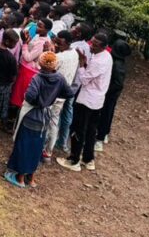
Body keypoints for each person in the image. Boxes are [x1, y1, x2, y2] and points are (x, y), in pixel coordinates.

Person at [6, 51, 76, 188]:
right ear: (55, 65)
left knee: (24, 145)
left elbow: (30, 96)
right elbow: (69, 93)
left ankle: (20, 178)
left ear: (40, 63)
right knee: (37, 146)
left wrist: (40, 102)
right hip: (45, 116)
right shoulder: (60, 78)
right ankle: (31, 178)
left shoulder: (38, 78)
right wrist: (52, 98)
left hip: (32, 115)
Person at [58, 32, 112, 172]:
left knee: (78, 129)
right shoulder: (106, 56)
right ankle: (88, 159)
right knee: (91, 130)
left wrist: (82, 64)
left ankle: (74, 160)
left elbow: (84, 79)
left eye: (95, 45)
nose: (91, 46)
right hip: (98, 100)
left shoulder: (99, 61)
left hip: (87, 100)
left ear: (103, 47)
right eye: (91, 42)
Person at [44, 30, 79, 159]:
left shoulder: (59, 57)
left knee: (45, 120)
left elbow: (46, 69)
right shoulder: (74, 53)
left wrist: (48, 52)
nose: (57, 44)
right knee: (54, 121)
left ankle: (41, 147)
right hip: (63, 93)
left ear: (67, 42)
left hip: (51, 92)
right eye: (56, 41)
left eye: (59, 42)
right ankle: (48, 151)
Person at [95, 39, 131, 151]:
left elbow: (118, 84)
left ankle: (100, 139)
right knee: (108, 114)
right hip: (111, 95)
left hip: (109, 95)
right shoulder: (117, 61)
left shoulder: (117, 65)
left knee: (105, 115)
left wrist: (105, 91)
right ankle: (105, 133)